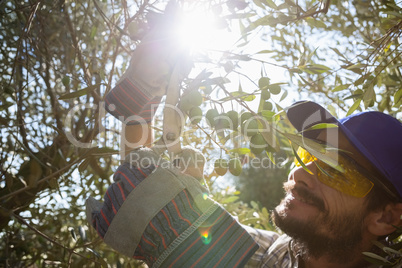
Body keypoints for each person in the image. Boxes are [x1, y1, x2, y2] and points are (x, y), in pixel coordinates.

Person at [86, 7, 402, 267]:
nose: (301, 173)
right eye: (308, 155)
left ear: (385, 218)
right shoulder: (258, 257)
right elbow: (141, 196)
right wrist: (144, 88)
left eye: (336, 169)